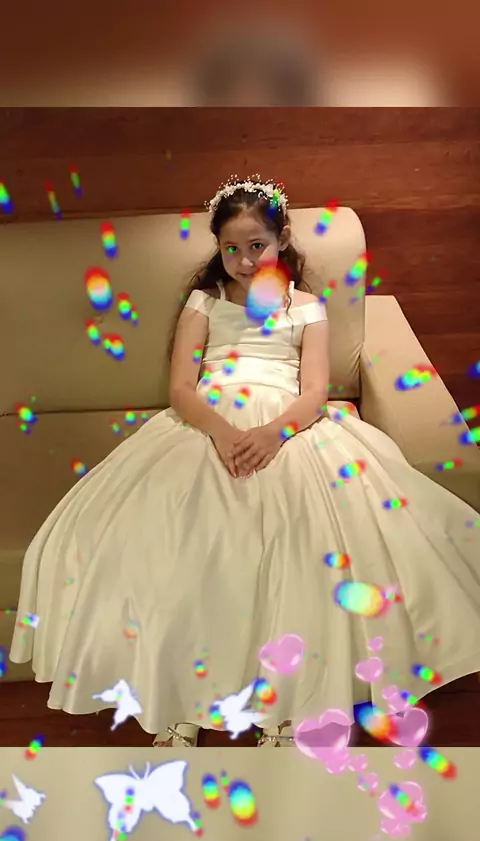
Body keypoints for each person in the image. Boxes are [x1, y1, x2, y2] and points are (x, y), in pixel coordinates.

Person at [9, 174, 480, 749]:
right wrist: (224, 433)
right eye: (231, 248)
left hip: (286, 425)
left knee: (298, 540)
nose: (245, 259)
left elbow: (314, 392)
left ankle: (284, 700)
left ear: (282, 240)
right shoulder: (206, 302)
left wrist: (272, 434)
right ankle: (180, 697)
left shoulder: (305, 307)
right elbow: (181, 389)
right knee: (188, 538)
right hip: (208, 422)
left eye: (257, 245)